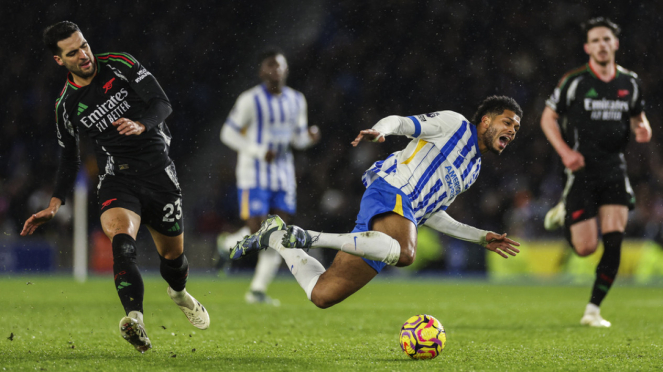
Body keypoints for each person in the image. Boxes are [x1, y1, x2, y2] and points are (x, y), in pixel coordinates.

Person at [21, 21, 210, 352]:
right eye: (72, 52)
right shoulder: (66, 105)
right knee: (122, 241)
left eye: (84, 45)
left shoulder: (120, 64)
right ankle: (134, 319)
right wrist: (55, 202)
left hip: (159, 174)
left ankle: (178, 293)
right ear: (58, 60)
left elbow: (162, 104)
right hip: (117, 179)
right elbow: (70, 159)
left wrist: (140, 124)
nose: (83, 55)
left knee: (174, 261)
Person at [229, 96, 522, 309]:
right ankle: (308, 237)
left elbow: (433, 215)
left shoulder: (473, 170)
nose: (512, 130)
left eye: (516, 128)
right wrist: (381, 129)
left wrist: (481, 237)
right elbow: (402, 123)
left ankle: (278, 237)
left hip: (399, 217)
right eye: (507, 122)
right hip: (391, 189)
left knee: (322, 295)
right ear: (486, 120)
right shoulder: (454, 124)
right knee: (406, 253)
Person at [541, 17, 652, 327]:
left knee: (615, 240)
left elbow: (639, 119)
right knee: (585, 247)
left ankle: (593, 310)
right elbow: (547, 119)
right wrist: (566, 153)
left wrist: (644, 129)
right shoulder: (575, 81)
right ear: (588, 47)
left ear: (615, 44)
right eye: (596, 40)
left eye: (607, 39)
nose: (602, 45)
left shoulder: (630, 82)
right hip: (582, 171)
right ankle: (565, 212)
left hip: (615, 168)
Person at [219, 48, 320, 305]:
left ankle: (257, 290)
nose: (275, 70)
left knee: (279, 233)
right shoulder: (250, 100)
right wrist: (258, 150)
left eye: (279, 66)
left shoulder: (297, 100)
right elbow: (227, 134)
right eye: (270, 66)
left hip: (283, 176)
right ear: (262, 71)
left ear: (286, 70)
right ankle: (229, 243)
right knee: (257, 229)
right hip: (253, 175)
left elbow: (296, 139)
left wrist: (308, 139)